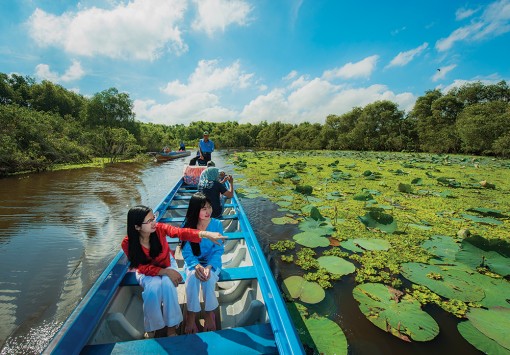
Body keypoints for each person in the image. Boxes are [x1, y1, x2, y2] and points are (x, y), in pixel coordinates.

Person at [121, 205, 226, 338]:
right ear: (136, 227)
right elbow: (141, 267)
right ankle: (153, 326)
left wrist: (205, 234)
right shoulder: (127, 243)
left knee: (167, 285)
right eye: (149, 221)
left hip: (167, 262)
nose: (154, 222)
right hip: (146, 271)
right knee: (152, 289)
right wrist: (165, 272)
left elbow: (180, 232)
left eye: (154, 218)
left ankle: (171, 327)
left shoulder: (159, 229)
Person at [181, 193, 224, 333]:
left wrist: (209, 266)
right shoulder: (188, 225)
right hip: (193, 262)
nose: (208, 211)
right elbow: (187, 252)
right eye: (203, 208)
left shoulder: (217, 224)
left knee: (208, 279)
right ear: (195, 210)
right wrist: (196, 266)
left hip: (212, 262)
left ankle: (209, 313)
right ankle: (191, 316)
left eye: (209, 207)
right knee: (193, 278)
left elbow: (218, 250)